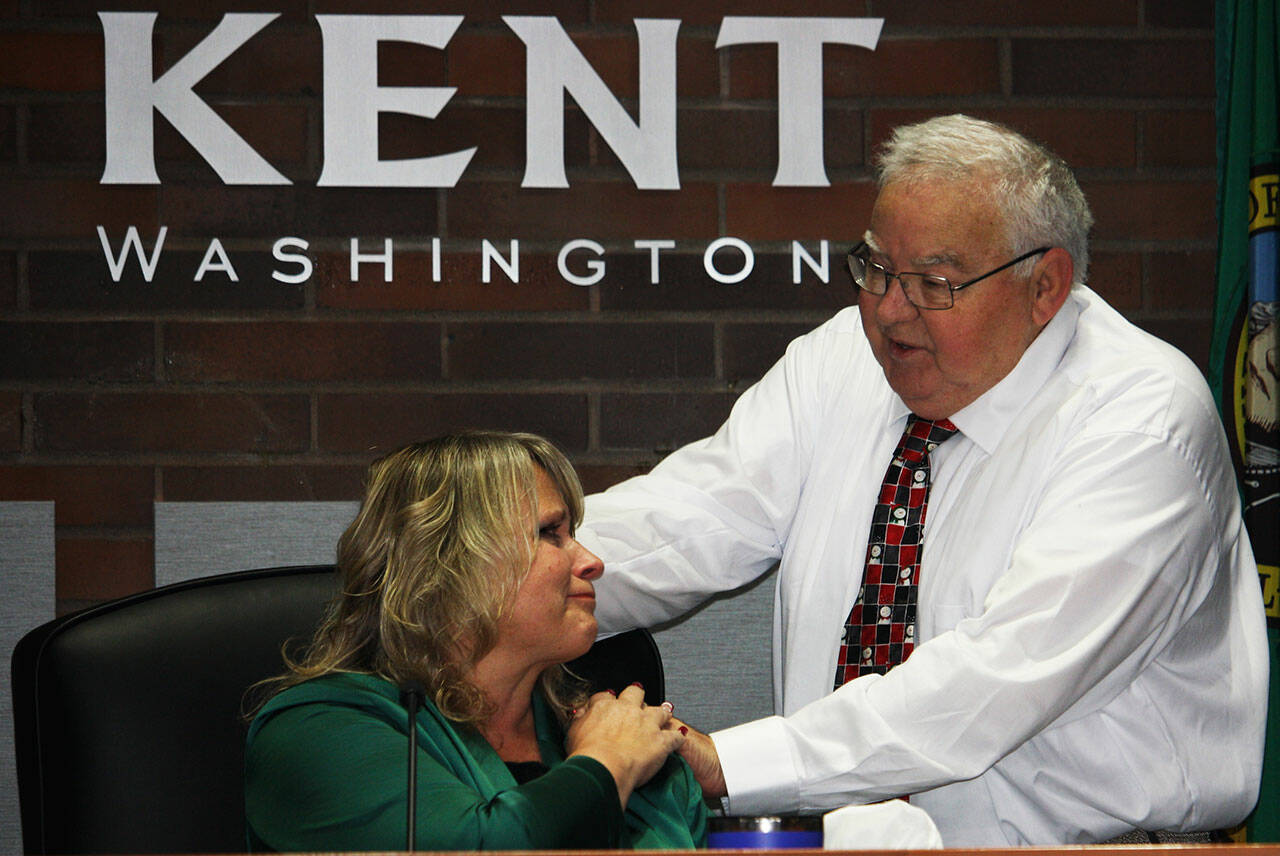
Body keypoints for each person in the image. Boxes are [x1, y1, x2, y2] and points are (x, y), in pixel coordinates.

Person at [578, 114, 1269, 845]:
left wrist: (730, 762)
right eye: (876, 269)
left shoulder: (1140, 420)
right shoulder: (844, 359)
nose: (888, 310)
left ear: (1045, 287)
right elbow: (690, 519)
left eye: (934, 283)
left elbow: (994, 682)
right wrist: (500, 572)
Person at [245, 431, 707, 851]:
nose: (592, 562)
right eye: (551, 533)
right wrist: (608, 762)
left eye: (575, 535)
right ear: (448, 565)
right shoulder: (316, 734)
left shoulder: (627, 741)